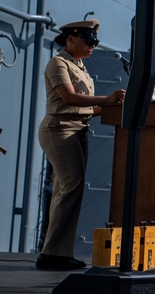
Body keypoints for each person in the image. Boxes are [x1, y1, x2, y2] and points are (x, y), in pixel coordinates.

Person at [36, 19, 125, 270]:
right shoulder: (58, 63)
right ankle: (52, 254)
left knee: (68, 190)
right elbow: (70, 97)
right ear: (70, 38)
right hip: (60, 129)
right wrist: (107, 99)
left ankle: (57, 252)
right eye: (89, 40)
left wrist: (113, 107)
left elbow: (86, 107)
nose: (93, 45)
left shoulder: (82, 68)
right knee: (71, 187)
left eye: (95, 41)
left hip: (79, 130)